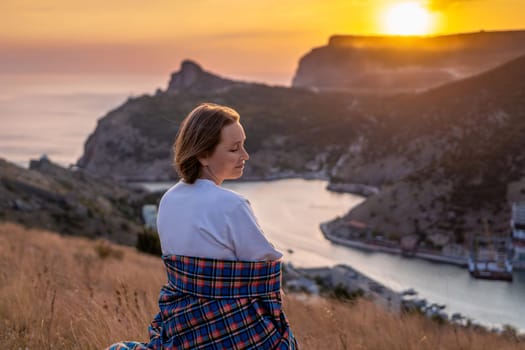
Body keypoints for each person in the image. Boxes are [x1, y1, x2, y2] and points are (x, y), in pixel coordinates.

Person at [107, 103, 297, 349]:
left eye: (243, 145)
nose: (245, 155)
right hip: (235, 333)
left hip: (181, 328)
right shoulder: (232, 204)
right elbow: (267, 269)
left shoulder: (168, 200)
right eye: (234, 149)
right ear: (203, 154)